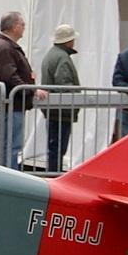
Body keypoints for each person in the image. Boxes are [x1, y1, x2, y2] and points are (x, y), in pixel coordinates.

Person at [0, 11, 47, 169]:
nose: (24, 28)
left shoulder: (4, 46)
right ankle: (11, 176)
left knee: (9, 143)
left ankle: (6, 172)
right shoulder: (6, 48)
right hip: (13, 103)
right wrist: (32, 90)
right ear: (14, 27)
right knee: (12, 145)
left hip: (12, 102)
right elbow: (10, 75)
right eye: (22, 25)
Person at [40, 24, 80, 173]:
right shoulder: (62, 58)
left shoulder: (52, 54)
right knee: (58, 148)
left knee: (53, 148)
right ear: (68, 41)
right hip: (61, 112)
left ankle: (52, 174)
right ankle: (54, 176)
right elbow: (65, 85)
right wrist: (75, 100)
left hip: (54, 110)